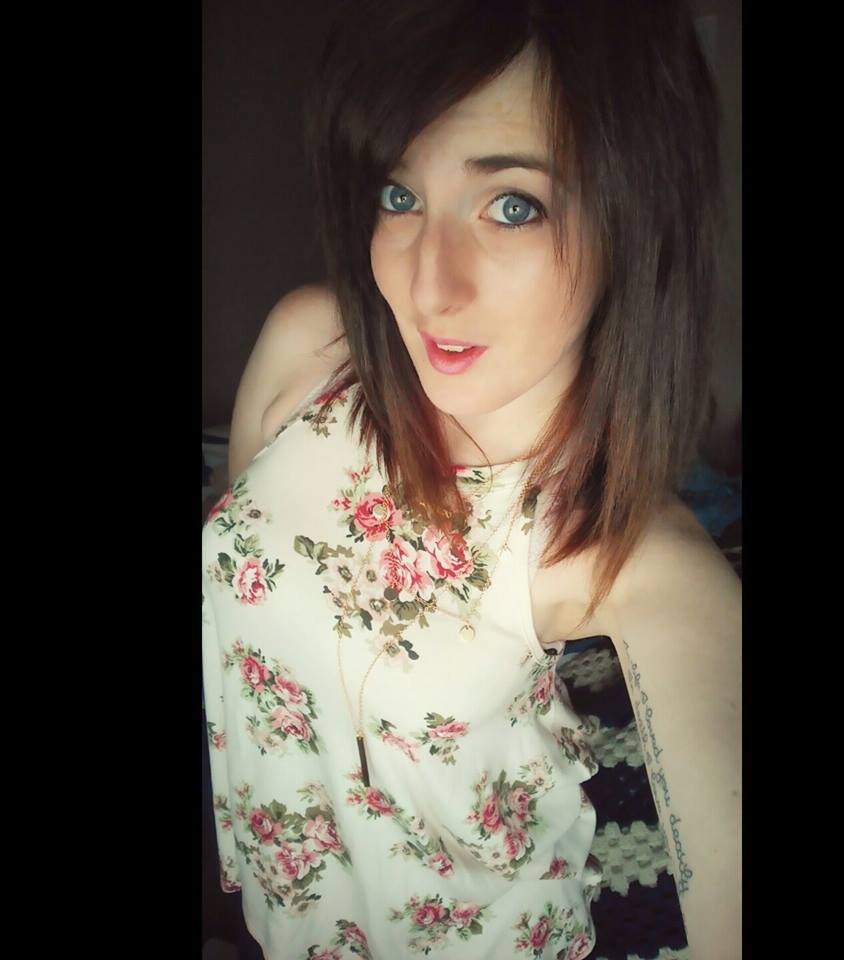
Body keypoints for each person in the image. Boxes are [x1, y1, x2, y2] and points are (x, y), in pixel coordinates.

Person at [202, 1, 741, 958]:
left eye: (513, 205)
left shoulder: (636, 563)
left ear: (634, 219)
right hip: (277, 913)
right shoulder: (307, 349)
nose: (429, 287)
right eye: (399, 195)